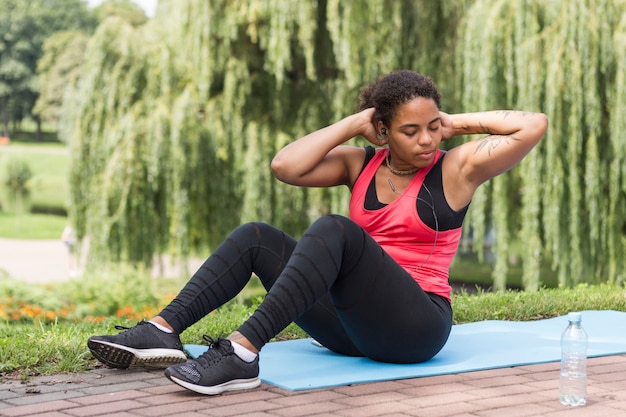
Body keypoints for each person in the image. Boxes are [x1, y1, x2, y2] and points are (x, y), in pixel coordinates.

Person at [87, 70, 548, 395]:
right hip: (351, 330)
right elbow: (284, 165)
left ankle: (241, 354)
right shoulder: (359, 163)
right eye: (410, 131)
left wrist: (456, 123)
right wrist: (353, 124)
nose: (426, 140)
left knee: (336, 230)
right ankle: (162, 330)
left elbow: (532, 125)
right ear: (382, 131)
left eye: (432, 127)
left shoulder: (457, 168)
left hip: (416, 328)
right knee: (257, 236)